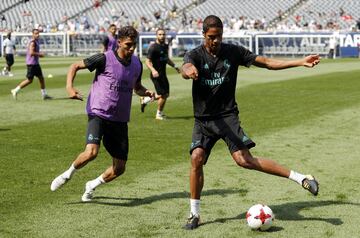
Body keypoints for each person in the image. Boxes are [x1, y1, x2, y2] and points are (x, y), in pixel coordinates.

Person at [180, 15, 320, 230]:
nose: (215, 41)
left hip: (227, 116)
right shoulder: (195, 54)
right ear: (203, 35)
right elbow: (186, 66)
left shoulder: (233, 51)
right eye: (210, 37)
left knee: (244, 161)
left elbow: (266, 63)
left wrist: (300, 61)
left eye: (218, 36)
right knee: (196, 158)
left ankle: (301, 178)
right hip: (203, 120)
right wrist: (187, 71)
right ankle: (194, 214)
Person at [50, 26, 155, 202]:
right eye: (128, 44)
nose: (131, 48)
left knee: (120, 168)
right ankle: (68, 174)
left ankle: (92, 185)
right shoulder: (104, 58)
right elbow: (75, 66)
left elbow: (136, 87)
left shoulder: (137, 64)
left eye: (134, 45)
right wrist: (69, 88)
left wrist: (147, 92)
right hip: (98, 112)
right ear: (119, 42)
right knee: (91, 152)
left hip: (120, 119)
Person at [140, 28, 180, 120]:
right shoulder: (153, 47)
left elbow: (166, 59)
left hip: (163, 74)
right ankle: (158, 114)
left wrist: (175, 66)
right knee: (163, 95)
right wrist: (153, 70)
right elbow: (147, 61)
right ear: (156, 36)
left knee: (165, 95)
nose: (162, 36)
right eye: (160, 34)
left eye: (163, 34)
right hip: (156, 75)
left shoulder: (165, 46)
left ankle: (145, 100)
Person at [10, 29, 51, 100]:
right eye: (35, 33)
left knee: (41, 78)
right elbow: (31, 53)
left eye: (38, 33)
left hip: (35, 64)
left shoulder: (36, 41)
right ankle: (15, 90)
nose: (37, 35)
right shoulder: (32, 42)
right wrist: (40, 54)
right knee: (29, 80)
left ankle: (44, 95)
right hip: (31, 64)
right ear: (33, 34)